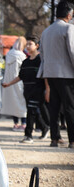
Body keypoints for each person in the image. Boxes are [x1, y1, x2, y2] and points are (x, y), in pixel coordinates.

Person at [38, 1, 74, 148]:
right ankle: (72, 140)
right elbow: (72, 52)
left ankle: (55, 138)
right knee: (70, 107)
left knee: (54, 108)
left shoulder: (46, 31)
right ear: (68, 13)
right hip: (66, 74)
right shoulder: (69, 28)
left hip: (50, 73)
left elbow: (43, 55)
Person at [2, 35, 50, 143]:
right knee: (34, 112)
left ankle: (28, 135)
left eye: (30, 44)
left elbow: (46, 75)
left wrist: (47, 89)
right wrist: (8, 84)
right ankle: (44, 127)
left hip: (38, 90)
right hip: (27, 91)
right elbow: (20, 76)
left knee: (31, 112)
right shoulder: (25, 61)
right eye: (26, 44)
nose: (27, 46)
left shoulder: (41, 60)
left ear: (37, 46)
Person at [0, 37, 27, 131]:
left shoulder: (9, 54)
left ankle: (15, 123)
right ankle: (24, 123)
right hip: (18, 82)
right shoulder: (22, 56)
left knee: (13, 103)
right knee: (22, 102)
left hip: (8, 82)